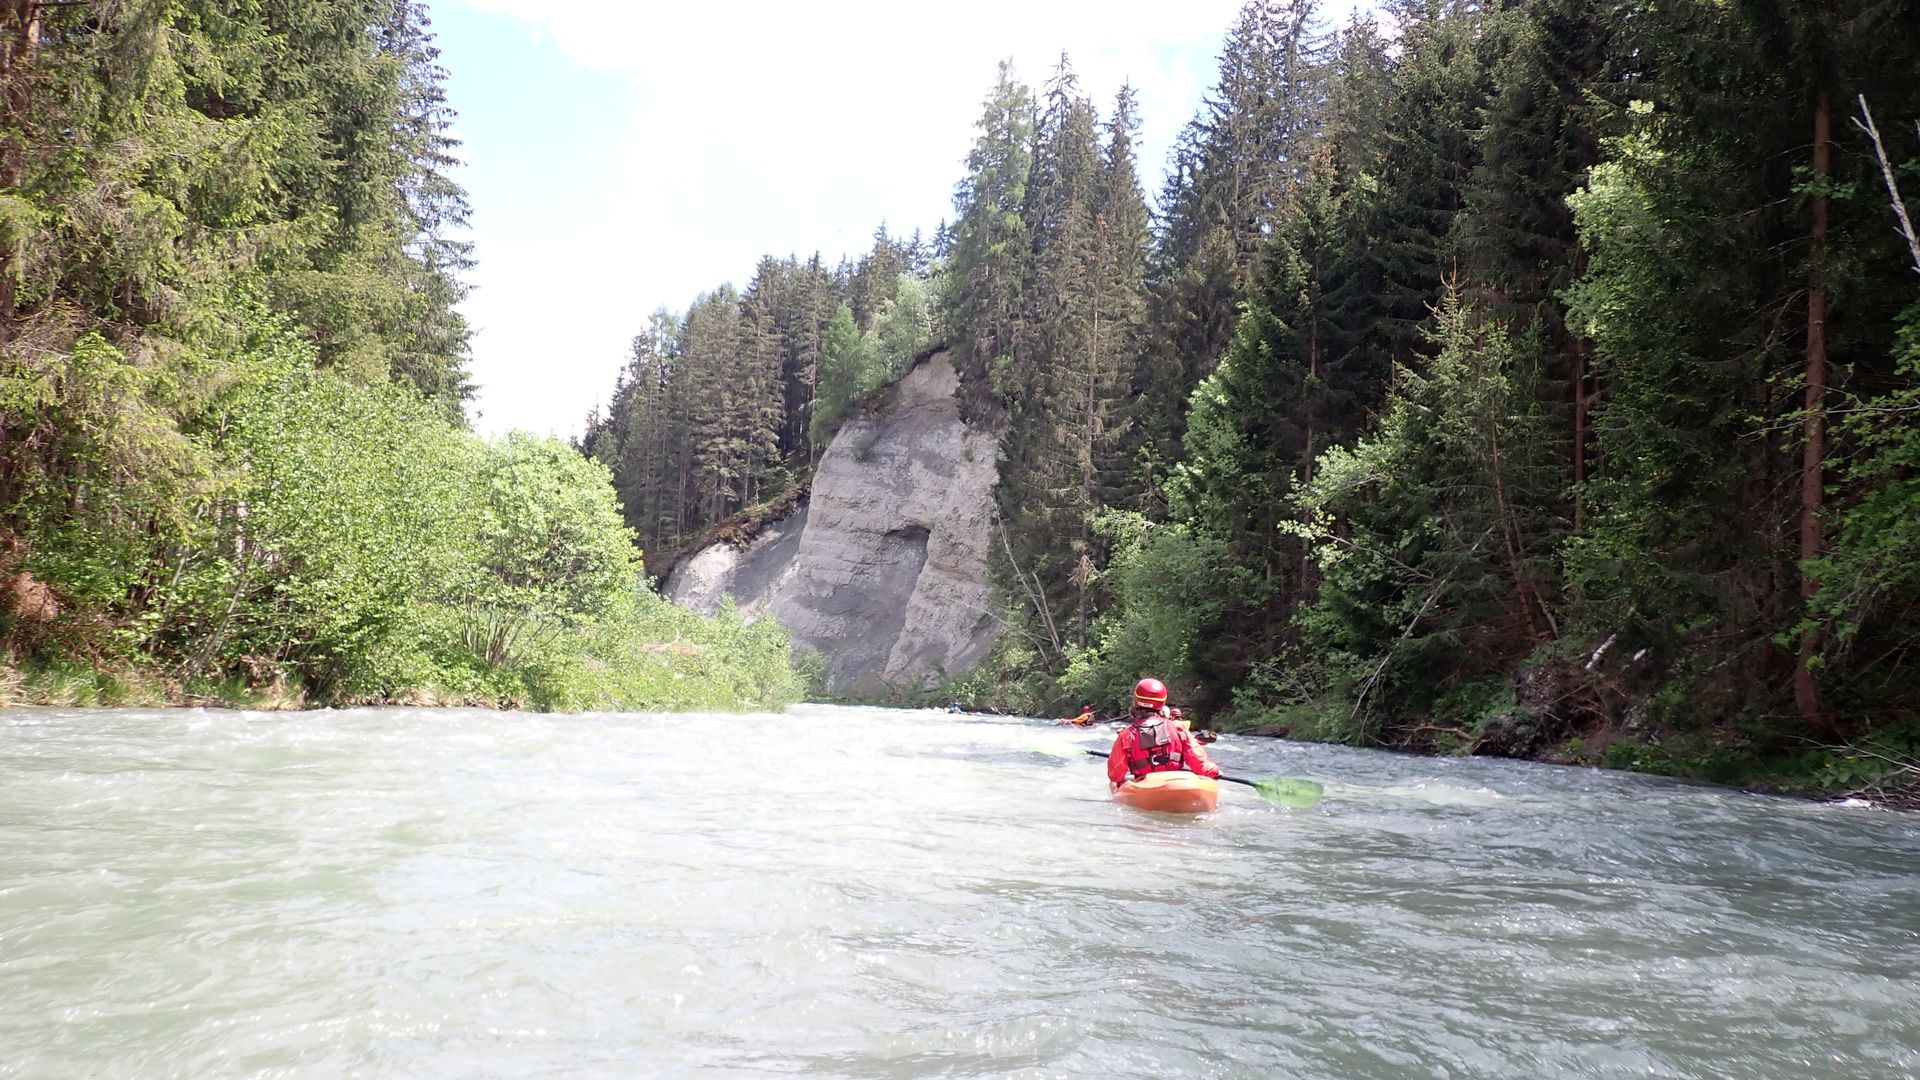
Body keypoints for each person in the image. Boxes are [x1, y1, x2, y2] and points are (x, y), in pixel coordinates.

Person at [1108, 678, 1221, 789]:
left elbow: (1115, 775)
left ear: (1136, 701)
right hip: (1176, 782)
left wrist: (1118, 784)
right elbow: (1199, 764)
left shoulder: (1126, 735)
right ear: (1162, 701)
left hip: (1145, 785)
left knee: (1113, 784)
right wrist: (1215, 771)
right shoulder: (1178, 728)